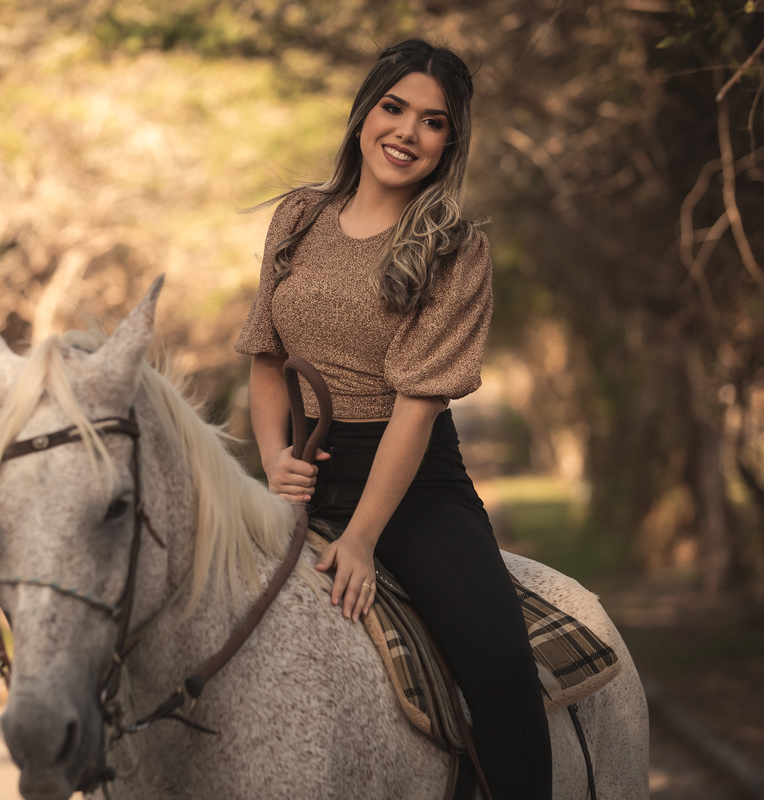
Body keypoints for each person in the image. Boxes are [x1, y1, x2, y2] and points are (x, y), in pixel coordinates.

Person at [235, 39, 551, 800]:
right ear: (363, 114)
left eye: (433, 122)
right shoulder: (300, 216)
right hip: (300, 478)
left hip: (413, 493)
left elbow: (417, 408)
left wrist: (363, 538)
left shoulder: (455, 248)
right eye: (394, 108)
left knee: (503, 675)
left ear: (451, 143)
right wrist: (275, 458)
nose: (407, 132)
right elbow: (265, 358)